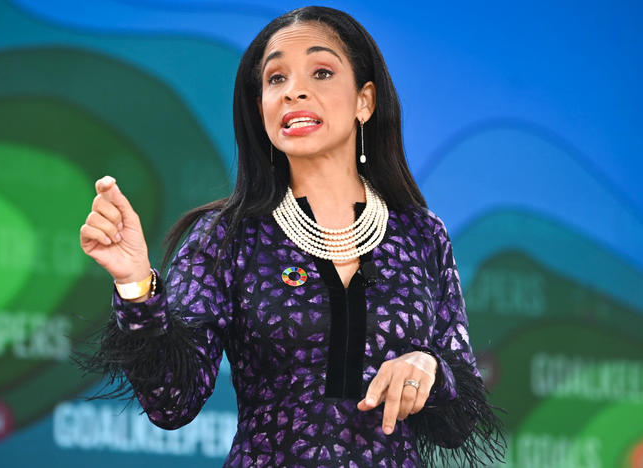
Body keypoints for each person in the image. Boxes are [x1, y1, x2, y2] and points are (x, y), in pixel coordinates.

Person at [78, 6, 504, 467]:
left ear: (365, 100)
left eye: (321, 72)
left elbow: (458, 423)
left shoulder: (422, 234)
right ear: (260, 107)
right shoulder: (226, 237)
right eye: (276, 79)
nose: (294, 91)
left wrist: (432, 370)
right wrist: (136, 286)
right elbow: (171, 402)